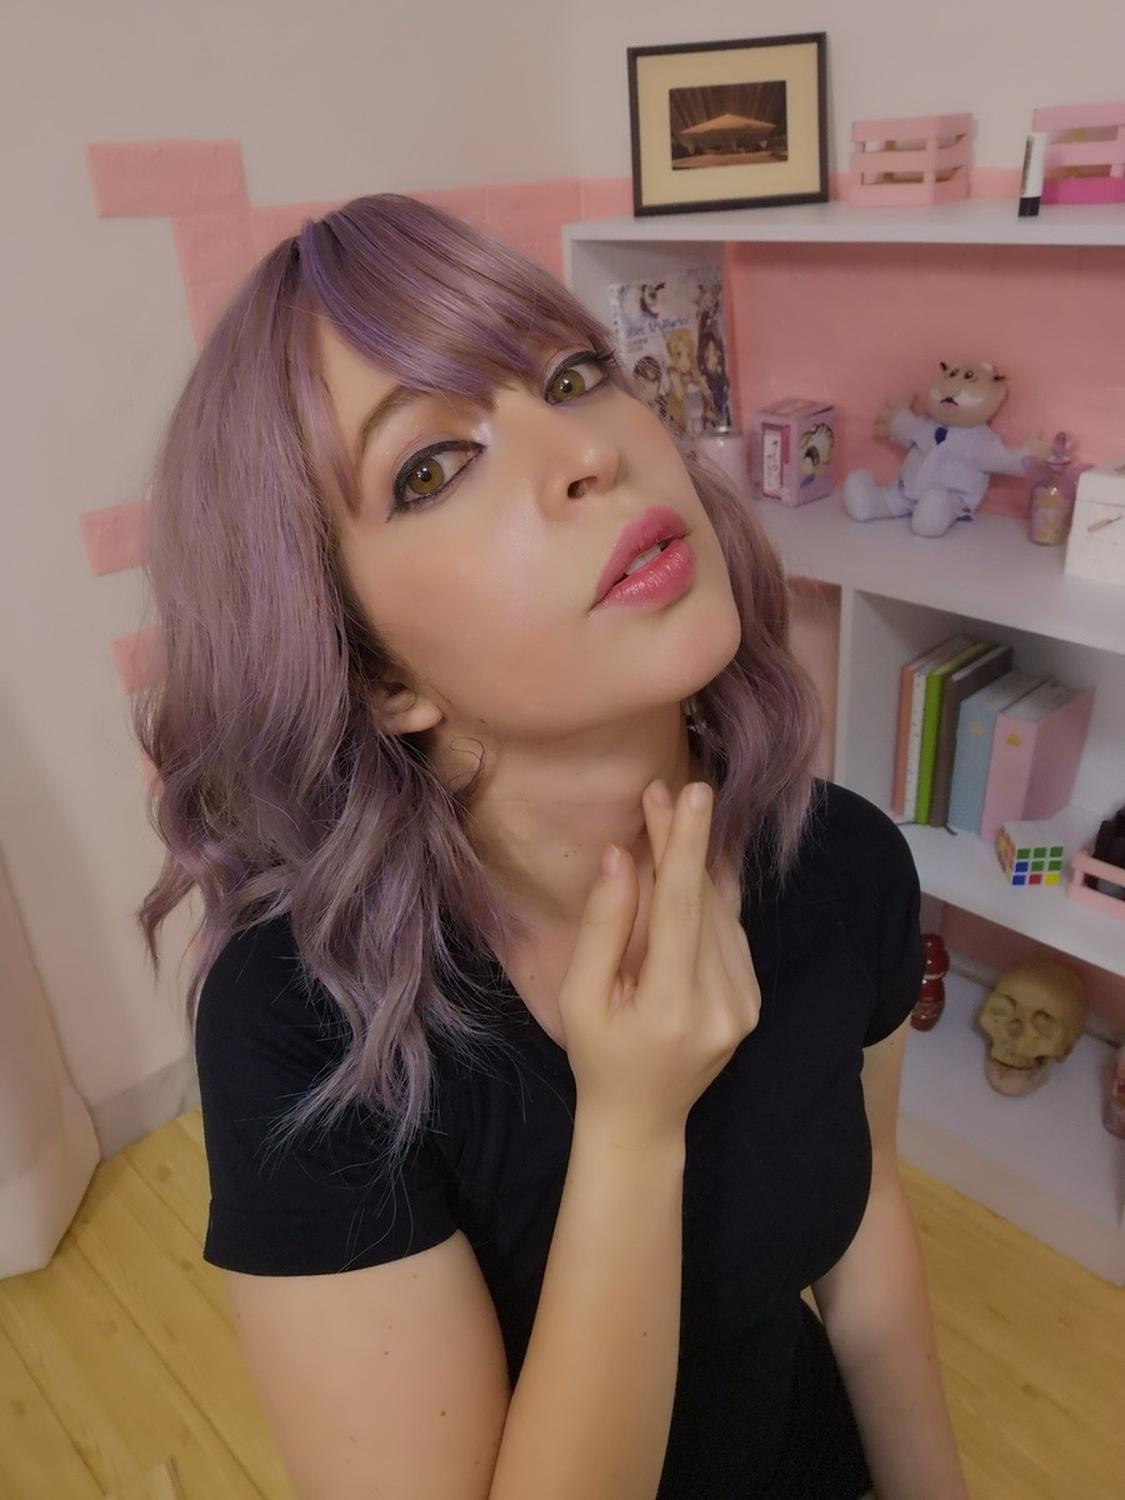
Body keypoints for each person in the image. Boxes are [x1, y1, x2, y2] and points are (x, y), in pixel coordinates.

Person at [133, 193, 968, 1500]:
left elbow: (862, 1240)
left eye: (574, 376)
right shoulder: (307, 1031)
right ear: (376, 673)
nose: (587, 452)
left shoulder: (839, 860)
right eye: (431, 466)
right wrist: (632, 1129)